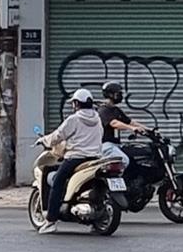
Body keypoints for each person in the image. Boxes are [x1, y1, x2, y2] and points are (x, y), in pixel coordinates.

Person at [38, 88, 126, 232]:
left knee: (57, 181)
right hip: (95, 158)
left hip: (75, 158)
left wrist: (44, 140)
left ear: (77, 104)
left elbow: (58, 136)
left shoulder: (74, 119)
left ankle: (51, 220)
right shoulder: (97, 118)